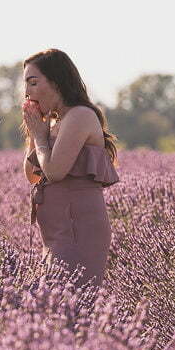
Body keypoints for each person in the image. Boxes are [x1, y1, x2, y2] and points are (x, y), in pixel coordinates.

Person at [22, 49, 120, 287]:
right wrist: (36, 134)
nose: (27, 92)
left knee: (65, 307)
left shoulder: (80, 116)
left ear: (56, 82)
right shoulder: (55, 123)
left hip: (79, 231)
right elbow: (33, 175)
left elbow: (55, 172)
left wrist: (40, 136)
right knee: (51, 309)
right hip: (56, 233)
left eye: (33, 83)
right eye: (25, 85)